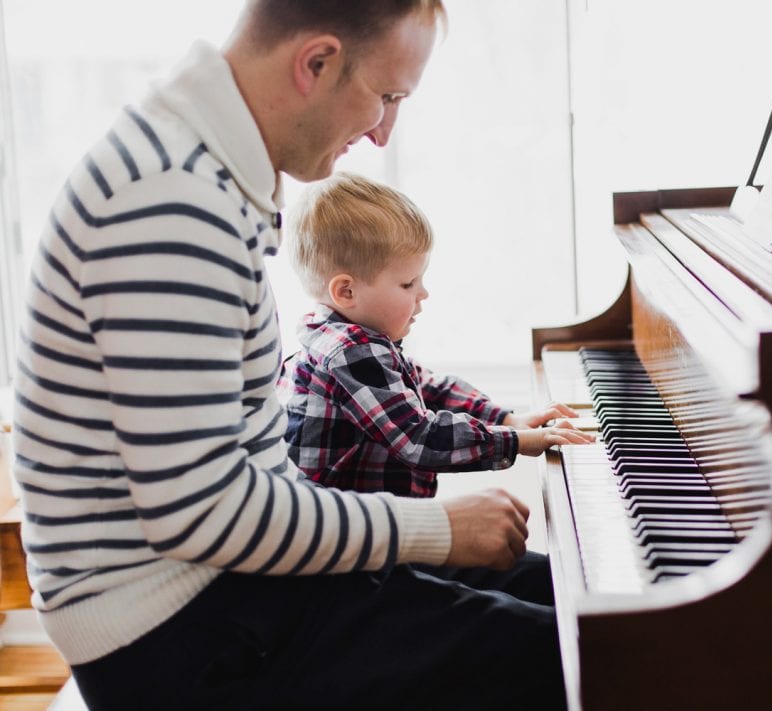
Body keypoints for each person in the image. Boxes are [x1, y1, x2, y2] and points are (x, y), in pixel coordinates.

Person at [12, 2, 569, 709]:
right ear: (316, 63)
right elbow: (203, 511)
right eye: (386, 97)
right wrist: (435, 530)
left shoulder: (203, 168)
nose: (382, 131)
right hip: (174, 634)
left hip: (227, 588)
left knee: (578, 601)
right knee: (578, 659)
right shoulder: (169, 200)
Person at [278, 171, 593, 497]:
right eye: (408, 284)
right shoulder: (348, 350)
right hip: (355, 539)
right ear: (346, 291)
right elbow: (419, 438)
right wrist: (518, 441)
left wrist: (508, 419)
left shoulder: (341, 338)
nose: (423, 293)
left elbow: (430, 388)